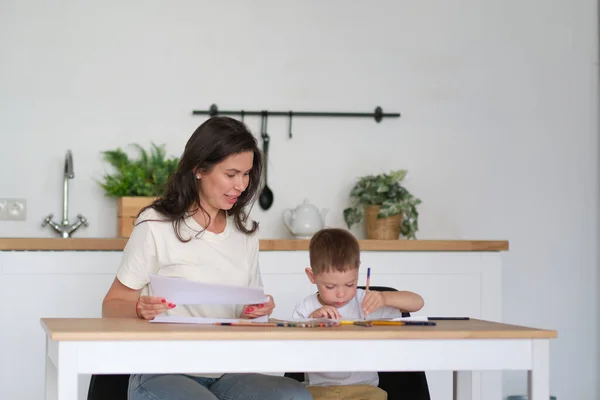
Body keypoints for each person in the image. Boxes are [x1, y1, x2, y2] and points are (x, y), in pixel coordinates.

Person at [102, 116, 313, 400]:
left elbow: (242, 315)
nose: (241, 185)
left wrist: (253, 313)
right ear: (200, 168)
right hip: (164, 370)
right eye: (231, 174)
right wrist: (139, 308)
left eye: (247, 174)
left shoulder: (245, 234)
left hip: (228, 372)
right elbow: (112, 305)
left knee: (294, 395)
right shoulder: (156, 225)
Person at [292, 228, 425, 400]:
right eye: (330, 287)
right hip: (318, 391)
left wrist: (384, 297)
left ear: (357, 272)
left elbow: (417, 302)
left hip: (365, 391)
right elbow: (294, 351)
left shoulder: (365, 301)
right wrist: (312, 321)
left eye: (350, 284)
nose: (341, 294)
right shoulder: (305, 308)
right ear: (312, 276)